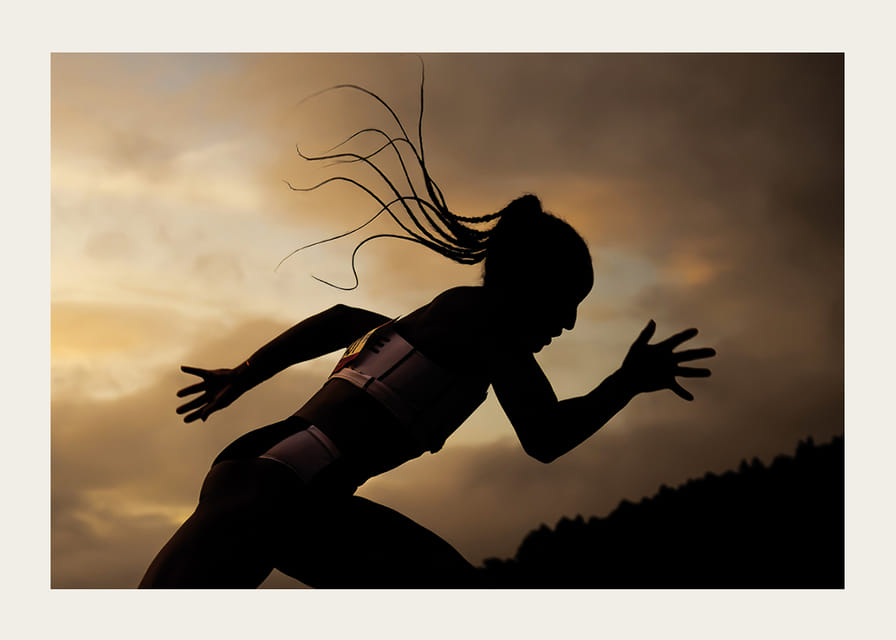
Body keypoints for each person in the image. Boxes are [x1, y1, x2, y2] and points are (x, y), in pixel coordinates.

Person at [138, 83, 715, 589]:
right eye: (565, 305)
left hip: (276, 479)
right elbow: (545, 437)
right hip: (282, 487)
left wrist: (245, 374)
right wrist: (626, 381)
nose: (566, 325)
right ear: (529, 287)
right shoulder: (488, 321)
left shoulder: (440, 320)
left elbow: (340, 320)